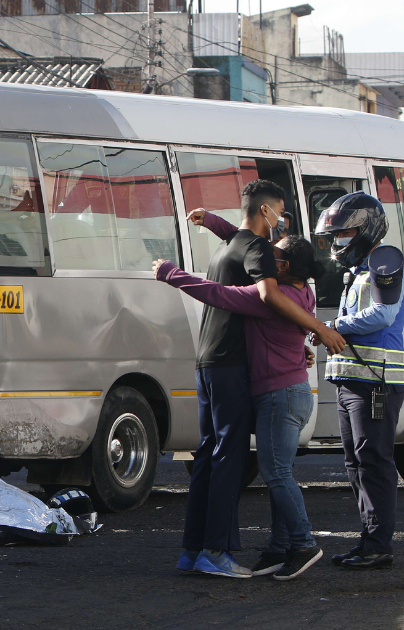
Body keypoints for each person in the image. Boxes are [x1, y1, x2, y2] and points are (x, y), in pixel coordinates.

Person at [174, 180, 346, 579]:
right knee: (245, 463)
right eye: (279, 212)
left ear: (283, 267)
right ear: (266, 211)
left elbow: (232, 279)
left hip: (248, 378)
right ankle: (235, 549)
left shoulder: (267, 282)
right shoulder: (272, 272)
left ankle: (224, 549)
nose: (280, 225)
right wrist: (317, 332)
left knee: (245, 464)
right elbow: (249, 254)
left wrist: (174, 272)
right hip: (253, 378)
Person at [314, 192, 404, 570]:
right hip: (352, 381)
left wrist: (333, 326)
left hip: (375, 383)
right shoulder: (359, 269)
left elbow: (383, 314)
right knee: (356, 464)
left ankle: (378, 545)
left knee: (373, 463)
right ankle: (369, 541)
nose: (338, 241)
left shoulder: (384, 262)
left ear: (366, 229)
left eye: (344, 233)